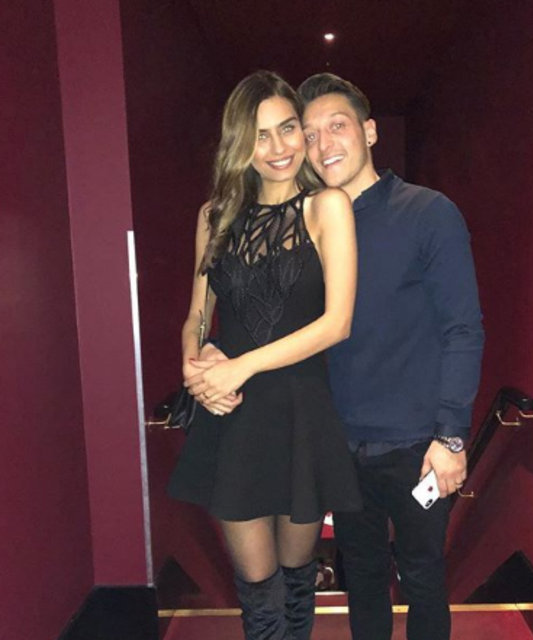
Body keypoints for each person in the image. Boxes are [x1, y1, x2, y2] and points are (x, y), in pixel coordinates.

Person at [167, 70, 362, 640]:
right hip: (234, 418)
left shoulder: (327, 207)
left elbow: (338, 323)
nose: (278, 147)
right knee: (258, 592)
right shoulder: (215, 216)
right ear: (239, 143)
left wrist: (239, 366)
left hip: (301, 413)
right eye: (260, 135)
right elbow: (196, 314)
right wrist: (194, 368)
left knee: (297, 581)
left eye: (288, 128)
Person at [297, 73, 485, 640]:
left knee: (423, 578)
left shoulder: (427, 212)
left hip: (416, 446)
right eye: (310, 134)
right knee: (362, 578)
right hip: (342, 445)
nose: (324, 144)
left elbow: (463, 329)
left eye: (337, 126)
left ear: (370, 131)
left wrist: (452, 437)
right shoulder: (309, 226)